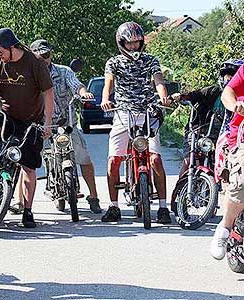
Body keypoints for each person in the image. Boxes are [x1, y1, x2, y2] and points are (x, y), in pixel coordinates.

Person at [0, 28, 54, 228]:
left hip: (31, 120)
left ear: (11, 47)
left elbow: (48, 93)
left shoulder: (35, 63)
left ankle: (27, 211)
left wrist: (47, 122)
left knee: (28, 166)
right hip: (6, 114)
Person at [101, 22, 172, 224]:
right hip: (123, 113)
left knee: (155, 159)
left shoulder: (150, 60)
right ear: (121, 43)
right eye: (129, 43)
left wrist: (163, 97)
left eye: (137, 43)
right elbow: (108, 84)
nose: (134, 47)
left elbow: (158, 81)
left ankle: (163, 207)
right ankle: (114, 206)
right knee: (114, 160)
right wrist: (106, 100)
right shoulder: (113, 62)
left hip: (148, 112)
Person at [29, 39, 102, 214]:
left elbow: (76, 85)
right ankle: (20, 202)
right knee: (26, 162)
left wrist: (84, 93)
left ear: (51, 55)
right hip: (41, 126)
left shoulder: (64, 71)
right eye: (39, 57)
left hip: (66, 124)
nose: (44, 60)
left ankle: (93, 197)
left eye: (46, 55)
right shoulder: (30, 76)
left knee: (84, 158)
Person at [171, 59, 243, 177]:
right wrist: (179, 97)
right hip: (199, 132)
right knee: (190, 160)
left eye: (233, 76)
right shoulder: (211, 91)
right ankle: (181, 190)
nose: (229, 79)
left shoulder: (241, 98)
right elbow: (193, 95)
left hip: (223, 137)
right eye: (227, 76)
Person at [210, 62, 244, 260]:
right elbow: (227, 92)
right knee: (241, 182)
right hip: (241, 132)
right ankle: (224, 229)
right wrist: (235, 106)